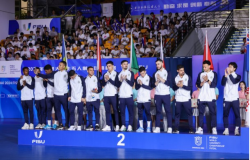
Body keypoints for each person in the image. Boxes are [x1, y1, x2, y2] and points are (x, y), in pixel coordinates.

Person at [34, 61, 69, 130]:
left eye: (60, 65)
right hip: (56, 95)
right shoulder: (55, 73)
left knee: (66, 110)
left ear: (64, 67)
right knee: (57, 110)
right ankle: (60, 124)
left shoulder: (66, 74)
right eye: (59, 65)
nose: (58, 66)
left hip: (63, 95)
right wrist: (38, 74)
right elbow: (47, 76)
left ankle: (67, 124)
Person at [195, 60, 218, 134]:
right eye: (203, 67)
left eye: (205, 67)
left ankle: (214, 128)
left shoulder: (214, 74)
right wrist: (202, 82)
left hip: (210, 97)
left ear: (209, 66)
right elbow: (198, 85)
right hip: (202, 96)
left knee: (212, 113)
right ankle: (200, 128)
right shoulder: (200, 74)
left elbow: (214, 85)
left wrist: (207, 80)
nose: (204, 68)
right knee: (201, 113)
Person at [152, 59, 172, 133]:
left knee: (168, 111)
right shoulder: (155, 73)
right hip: (157, 95)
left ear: (162, 64)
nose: (157, 65)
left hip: (166, 94)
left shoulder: (167, 72)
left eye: (158, 64)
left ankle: (170, 127)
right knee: (158, 111)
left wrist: (160, 78)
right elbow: (153, 85)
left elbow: (168, 83)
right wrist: (157, 80)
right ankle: (157, 127)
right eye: (156, 64)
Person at [221, 62, 241, 135]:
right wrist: (225, 76)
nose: (229, 68)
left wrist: (229, 74)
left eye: (231, 67)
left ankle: (236, 129)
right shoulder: (225, 76)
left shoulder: (238, 76)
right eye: (228, 66)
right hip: (226, 98)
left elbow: (234, 81)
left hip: (235, 98)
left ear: (234, 68)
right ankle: (226, 130)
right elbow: (222, 84)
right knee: (225, 114)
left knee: (237, 115)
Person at [173, 65, 193, 133]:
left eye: (183, 70)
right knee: (177, 114)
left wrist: (183, 86)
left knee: (189, 114)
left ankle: (191, 128)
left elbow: (190, 88)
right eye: (181, 70)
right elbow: (173, 88)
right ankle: (176, 128)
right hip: (178, 99)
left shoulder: (188, 77)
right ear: (177, 71)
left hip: (186, 98)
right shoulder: (175, 78)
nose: (182, 71)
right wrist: (177, 86)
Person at [101, 61, 120, 131]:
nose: (108, 67)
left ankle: (117, 125)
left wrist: (109, 79)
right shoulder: (105, 74)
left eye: (109, 66)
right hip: (106, 95)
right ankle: (108, 125)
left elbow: (117, 84)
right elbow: (102, 84)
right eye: (107, 66)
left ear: (113, 66)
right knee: (107, 110)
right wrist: (105, 81)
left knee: (115, 110)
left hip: (113, 94)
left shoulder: (116, 73)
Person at [117, 60, 134, 131]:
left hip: (129, 95)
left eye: (127, 64)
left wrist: (126, 79)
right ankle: (123, 125)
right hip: (121, 96)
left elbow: (132, 84)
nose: (126, 65)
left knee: (131, 112)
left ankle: (130, 125)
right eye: (124, 64)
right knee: (122, 112)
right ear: (121, 65)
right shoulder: (118, 74)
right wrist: (121, 80)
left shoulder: (130, 73)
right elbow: (117, 85)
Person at [135, 67, 152, 132]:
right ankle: (141, 127)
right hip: (139, 99)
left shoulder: (149, 78)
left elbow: (150, 87)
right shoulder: (138, 78)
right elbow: (136, 88)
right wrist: (139, 84)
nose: (142, 74)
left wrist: (142, 84)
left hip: (146, 99)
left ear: (145, 71)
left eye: (143, 73)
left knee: (148, 113)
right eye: (141, 73)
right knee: (140, 113)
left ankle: (148, 127)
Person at [85, 66, 102, 131]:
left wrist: (97, 91)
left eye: (93, 70)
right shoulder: (85, 79)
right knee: (89, 112)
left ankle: (97, 124)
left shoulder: (96, 78)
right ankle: (90, 124)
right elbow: (84, 89)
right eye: (90, 70)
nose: (92, 71)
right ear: (87, 71)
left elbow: (100, 88)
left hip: (95, 98)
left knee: (97, 111)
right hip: (88, 98)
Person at [42, 65, 58, 129]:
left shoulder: (55, 75)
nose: (45, 72)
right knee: (49, 110)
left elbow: (55, 85)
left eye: (46, 71)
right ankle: (49, 124)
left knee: (56, 110)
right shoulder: (47, 76)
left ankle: (56, 124)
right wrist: (44, 81)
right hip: (48, 96)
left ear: (49, 70)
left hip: (55, 95)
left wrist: (47, 80)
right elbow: (45, 85)